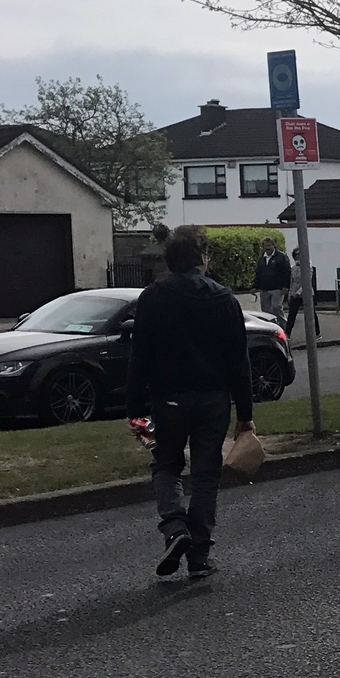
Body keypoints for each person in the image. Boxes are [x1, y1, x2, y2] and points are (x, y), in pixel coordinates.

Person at [125, 224, 255, 579]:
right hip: (213, 400)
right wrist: (245, 415)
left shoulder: (152, 298)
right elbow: (238, 362)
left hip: (167, 401)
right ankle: (199, 554)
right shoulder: (224, 298)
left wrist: (135, 409)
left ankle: (174, 527)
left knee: (165, 465)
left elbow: (140, 357)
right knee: (205, 474)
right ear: (201, 258)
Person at [284, 255, 321, 339]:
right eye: (296, 256)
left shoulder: (308, 267)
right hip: (295, 294)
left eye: (299, 255)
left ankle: (317, 333)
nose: (298, 258)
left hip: (306, 294)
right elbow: (292, 283)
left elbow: (307, 282)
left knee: (311, 314)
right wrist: (290, 295)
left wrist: (298, 293)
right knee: (292, 315)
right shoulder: (293, 268)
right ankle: (287, 333)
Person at [255, 238, 291, 323]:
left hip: (277, 287)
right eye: (266, 246)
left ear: (274, 245)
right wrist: (255, 286)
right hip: (264, 288)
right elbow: (258, 272)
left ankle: (284, 325)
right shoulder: (262, 258)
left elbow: (286, 272)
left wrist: (286, 286)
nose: (267, 248)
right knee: (266, 311)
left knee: (276, 307)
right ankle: (272, 328)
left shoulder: (281, 257)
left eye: (269, 245)